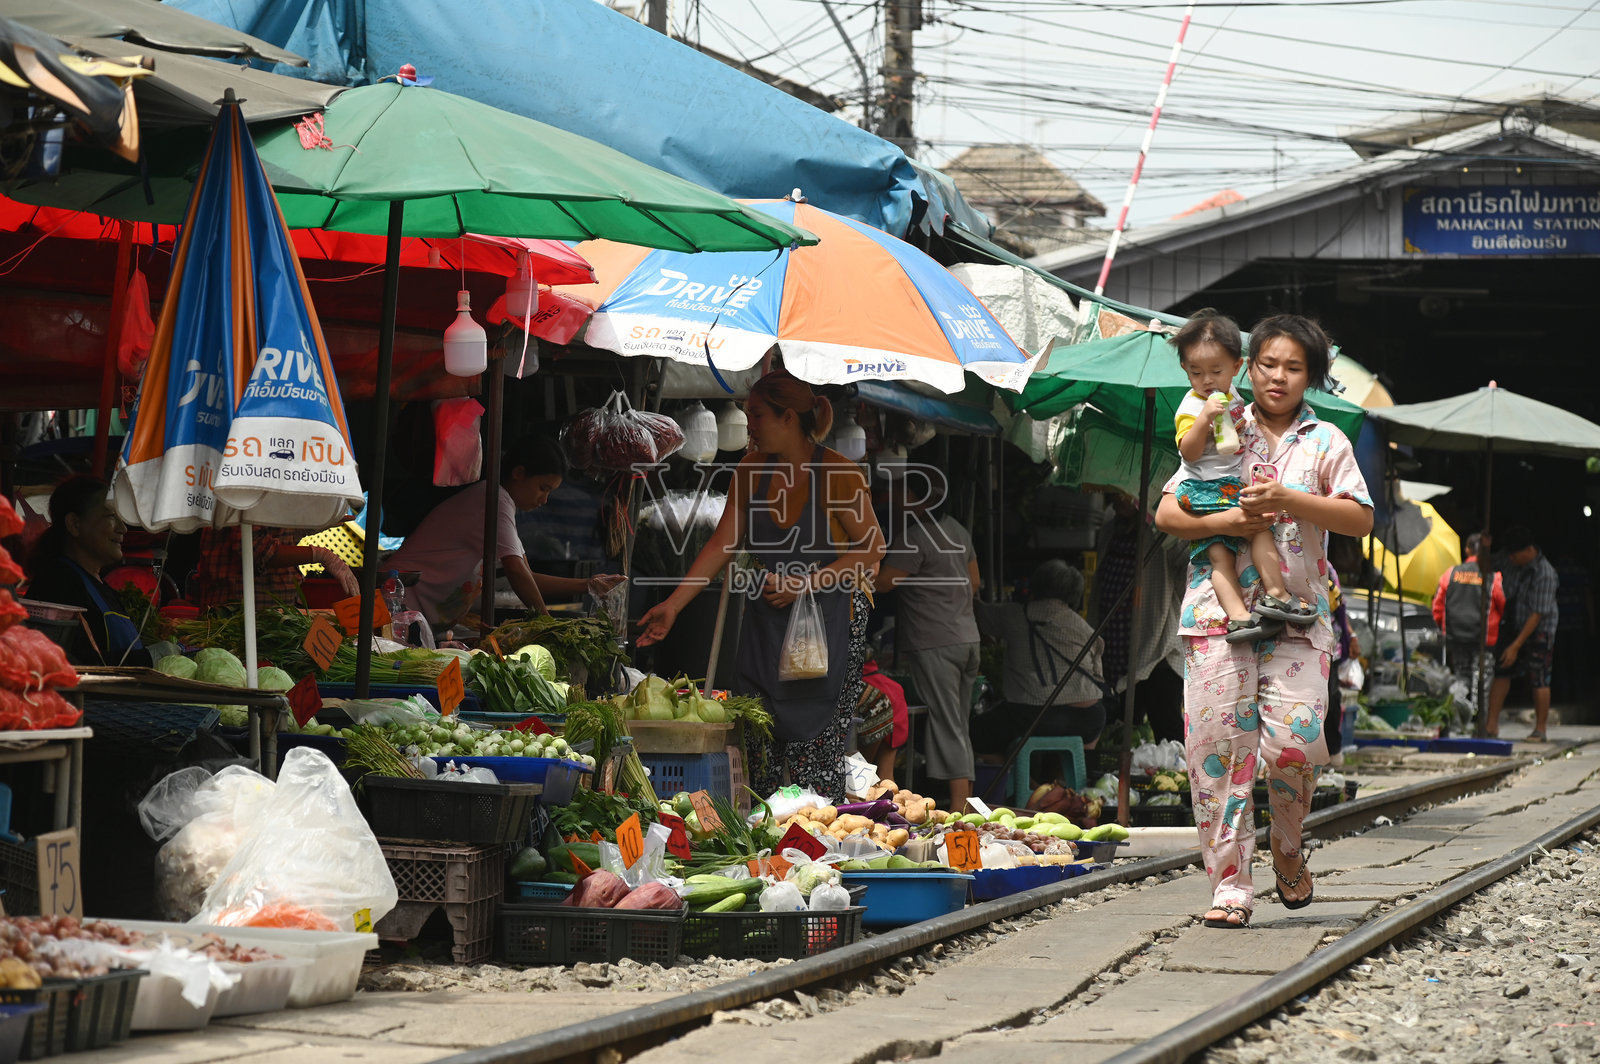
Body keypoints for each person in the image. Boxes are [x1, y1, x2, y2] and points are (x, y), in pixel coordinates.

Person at [1154, 314, 1372, 929]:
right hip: (1216, 618)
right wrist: (1222, 525)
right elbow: (1168, 510)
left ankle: (1287, 845)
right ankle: (1230, 887)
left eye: (1294, 367)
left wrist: (1288, 502)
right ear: (1249, 365)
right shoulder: (1219, 416)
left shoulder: (1327, 440)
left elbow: (1359, 519)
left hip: (1298, 618)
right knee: (1218, 754)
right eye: (1269, 363)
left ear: (1312, 377)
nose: (1278, 376)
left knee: (1295, 748)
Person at [637, 370, 884, 798]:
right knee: (758, 745)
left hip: (829, 629)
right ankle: (763, 845)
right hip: (767, 623)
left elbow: (871, 550)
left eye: (756, 414)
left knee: (816, 757)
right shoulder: (750, 471)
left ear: (788, 417)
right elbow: (722, 544)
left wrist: (805, 583)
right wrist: (674, 605)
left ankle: (815, 847)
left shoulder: (840, 473)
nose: (748, 423)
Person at [1170, 310, 1315, 643]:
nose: (1207, 381)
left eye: (1216, 371)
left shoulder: (1235, 398)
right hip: (1204, 490)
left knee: (1246, 536)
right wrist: (1205, 419)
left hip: (1228, 486)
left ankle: (1257, 609)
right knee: (1228, 548)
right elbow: (1188, 452)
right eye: (1196, 372)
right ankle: (1253, 606)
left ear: (1237, 367)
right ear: (1185, 371)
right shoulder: (1192, 406)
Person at [389, 434, 622, 629]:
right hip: (395, 604)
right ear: (519, 473)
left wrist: (588, 585)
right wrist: (547, 625)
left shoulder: (499, 501)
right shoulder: (495, 500)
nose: (544, 500)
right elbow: (516, 571)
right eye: (543, 488)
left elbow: (527, 575)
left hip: (410, 613)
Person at [876, 475, 981, 810]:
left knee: (948, 725)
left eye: (899, 491)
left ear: (914, 497)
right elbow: (975, 583)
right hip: (967, 638)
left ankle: (960, 808)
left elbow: (883, 583)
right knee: (958, 723)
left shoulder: (915, 536)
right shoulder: (958, 530)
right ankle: (967, 801)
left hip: (935, 642)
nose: (894, 497)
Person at [974, 560, 1110, 781]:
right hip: (1087, 717)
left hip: (1030, 717)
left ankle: (1022, 782)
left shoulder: (1014, 615)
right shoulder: (1084, 628)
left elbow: (977, 613)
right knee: (1072, 745)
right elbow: (1097, 676)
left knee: (974, 733)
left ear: (1036, 586)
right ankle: (1063, 786)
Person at [23, 476, 151, 666]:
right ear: (75, 524)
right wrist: (146, 660)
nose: (123, 529)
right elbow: (65, 663)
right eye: (111, 516)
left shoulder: (102, 588)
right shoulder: (58, 582)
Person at [1487, 525, 1558, 741]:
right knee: (1502, 670)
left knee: (1539, 677)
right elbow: (1487, 564)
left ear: (1528, 550)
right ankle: (1490, 726)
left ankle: (1540, 729)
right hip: (1513, 623)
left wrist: (1516, 646)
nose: (1512, 559)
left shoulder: (1545, 573)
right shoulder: (1509, 560)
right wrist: (1484, 549)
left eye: (1515, 555)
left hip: (1539, 630)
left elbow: (1537, 614)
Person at [195, 526, 358, 614]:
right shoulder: (253, 478)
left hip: (274, 613)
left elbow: (280, 536)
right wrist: (321, 555)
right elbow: (257, 549)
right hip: (239, 615)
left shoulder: (277, 483)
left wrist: (318, 523)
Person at [1430, 532, 1504, 693]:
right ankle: (1479, 717)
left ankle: (1463, 716)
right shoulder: (1493, 577)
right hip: (1484, 641)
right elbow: (1502, 606)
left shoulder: (1450, 574)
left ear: (1467, 550)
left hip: (1456, 639)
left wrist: (1443, 628)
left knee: (1461, 682)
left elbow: (1437, 608)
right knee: (1481, 686)